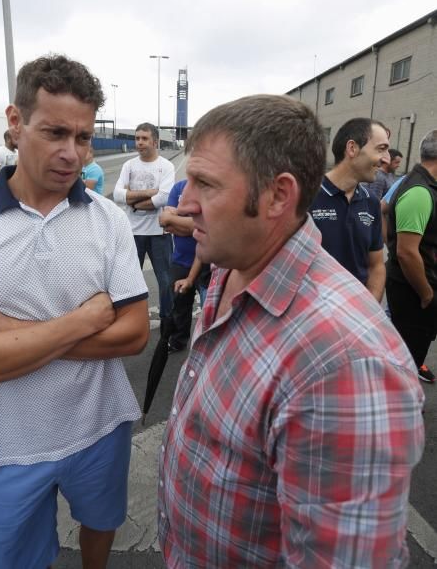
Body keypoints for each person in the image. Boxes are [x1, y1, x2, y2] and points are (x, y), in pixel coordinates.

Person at [158, 95, 424, 568]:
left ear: (278, 196)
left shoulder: (346, 366)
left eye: (205, 184)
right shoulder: (233, 262)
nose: (187, 204)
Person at [0, 54, 149, 569]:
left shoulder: (108, 220)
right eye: (54, 133)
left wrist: (5, 331)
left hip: (100, 425)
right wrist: (82, 321)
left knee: (100, 524)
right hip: (7, 442)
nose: (72, 154)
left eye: (83, 137)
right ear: (15, 122)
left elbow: (134, 333)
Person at [310, 117, 390, 302]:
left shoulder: (371, 202)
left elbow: (376, 266)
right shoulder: (307, 196)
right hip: (311, 318)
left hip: (357, 315)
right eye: (381, 149)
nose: (386, 159)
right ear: (352, 148)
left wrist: (370, 310)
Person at [386, 129, 437, 384]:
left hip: (417, 287)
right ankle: (400, 406)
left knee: (411, 351)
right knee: (407, 356)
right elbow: (406, 252)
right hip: (415, 292)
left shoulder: (424, 184)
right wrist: (427, 293)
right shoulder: (420, 191)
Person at [113, 123, 175, 318]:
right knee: (130, 281)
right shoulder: (129, 165)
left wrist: (134, 202)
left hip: (159, 233)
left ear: (154, 141)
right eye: (137, 138)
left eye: (144, 138)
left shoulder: (166, 166)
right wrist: (149, 193)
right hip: (132, 233)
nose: (139, 142)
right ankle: (132, 320)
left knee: (166, 282)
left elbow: (164, 197)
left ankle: (167, 323)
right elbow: (117, 194)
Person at [159, 179, 211, 352]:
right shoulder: (178, 187)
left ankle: (206, 347)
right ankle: (178, 341)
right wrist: (194, 226)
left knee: (208, 308)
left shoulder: (210, 186)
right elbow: (165, 222)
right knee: (180, 306)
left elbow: (208, 226)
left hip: (206, 262)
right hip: (180, 260)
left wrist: (178, 221)